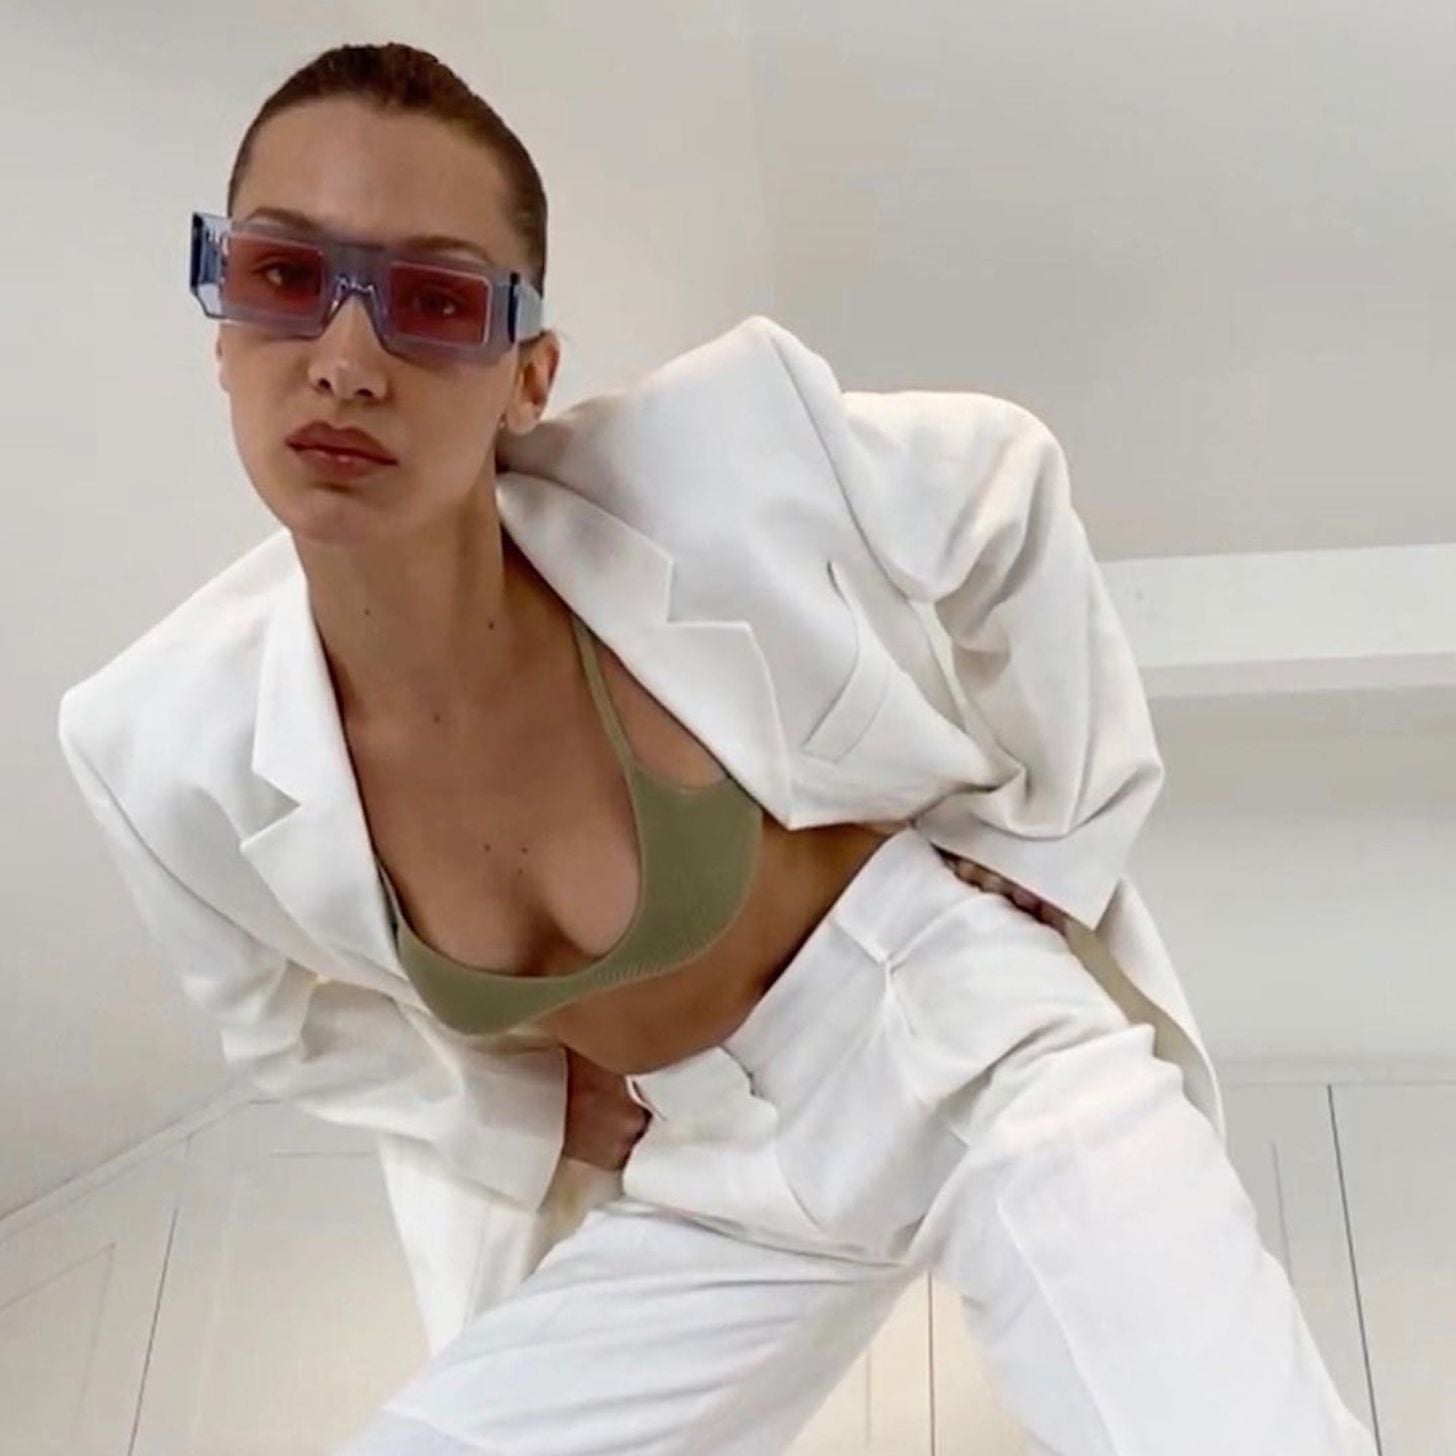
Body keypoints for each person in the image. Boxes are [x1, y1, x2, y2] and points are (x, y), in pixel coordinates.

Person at [56, 40, 1377, 1456]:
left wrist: (1046, 836)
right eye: (284, 275)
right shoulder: (155, 743)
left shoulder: (709, 461)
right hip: (706, 1176)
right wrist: (526, 1119)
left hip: (967, 1043)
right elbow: (274, 1026)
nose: (344, 360)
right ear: (222, 325)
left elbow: (1004, 487)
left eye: (436, 302)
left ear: (527, 375)